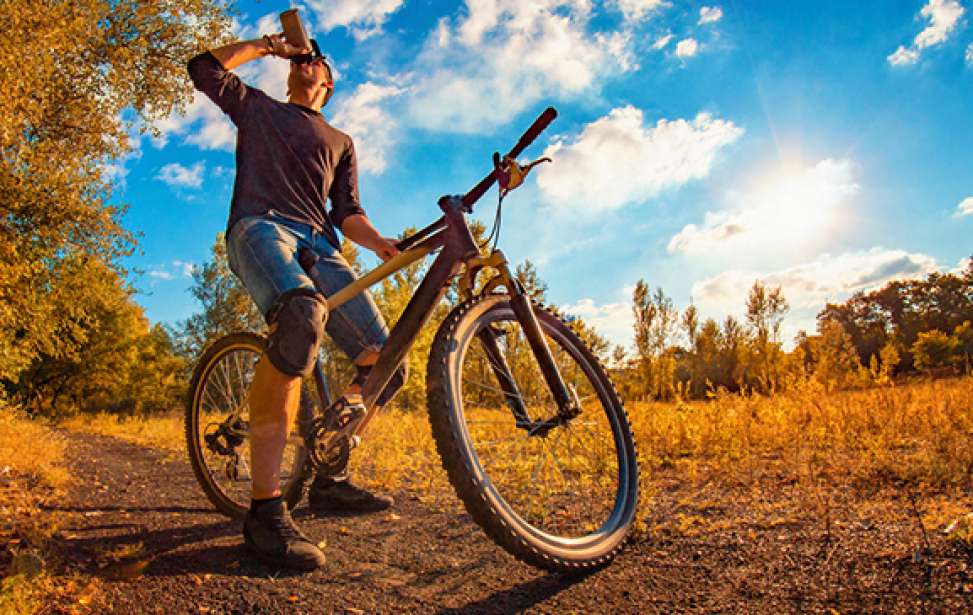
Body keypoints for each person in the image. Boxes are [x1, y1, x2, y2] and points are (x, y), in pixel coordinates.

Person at [187, 33, 407, 571]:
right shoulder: (260, 108)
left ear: (327, 83)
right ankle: (265, 513)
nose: (308, 63)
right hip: (260, 226)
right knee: (301, 317)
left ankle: (330, 475)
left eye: (317, 62)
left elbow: (347, 210)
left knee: (387, 361)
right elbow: (203, 69)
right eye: (303, 60)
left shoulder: (340, 139)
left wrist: (378, 244)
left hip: (320, 242)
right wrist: (268, 46)